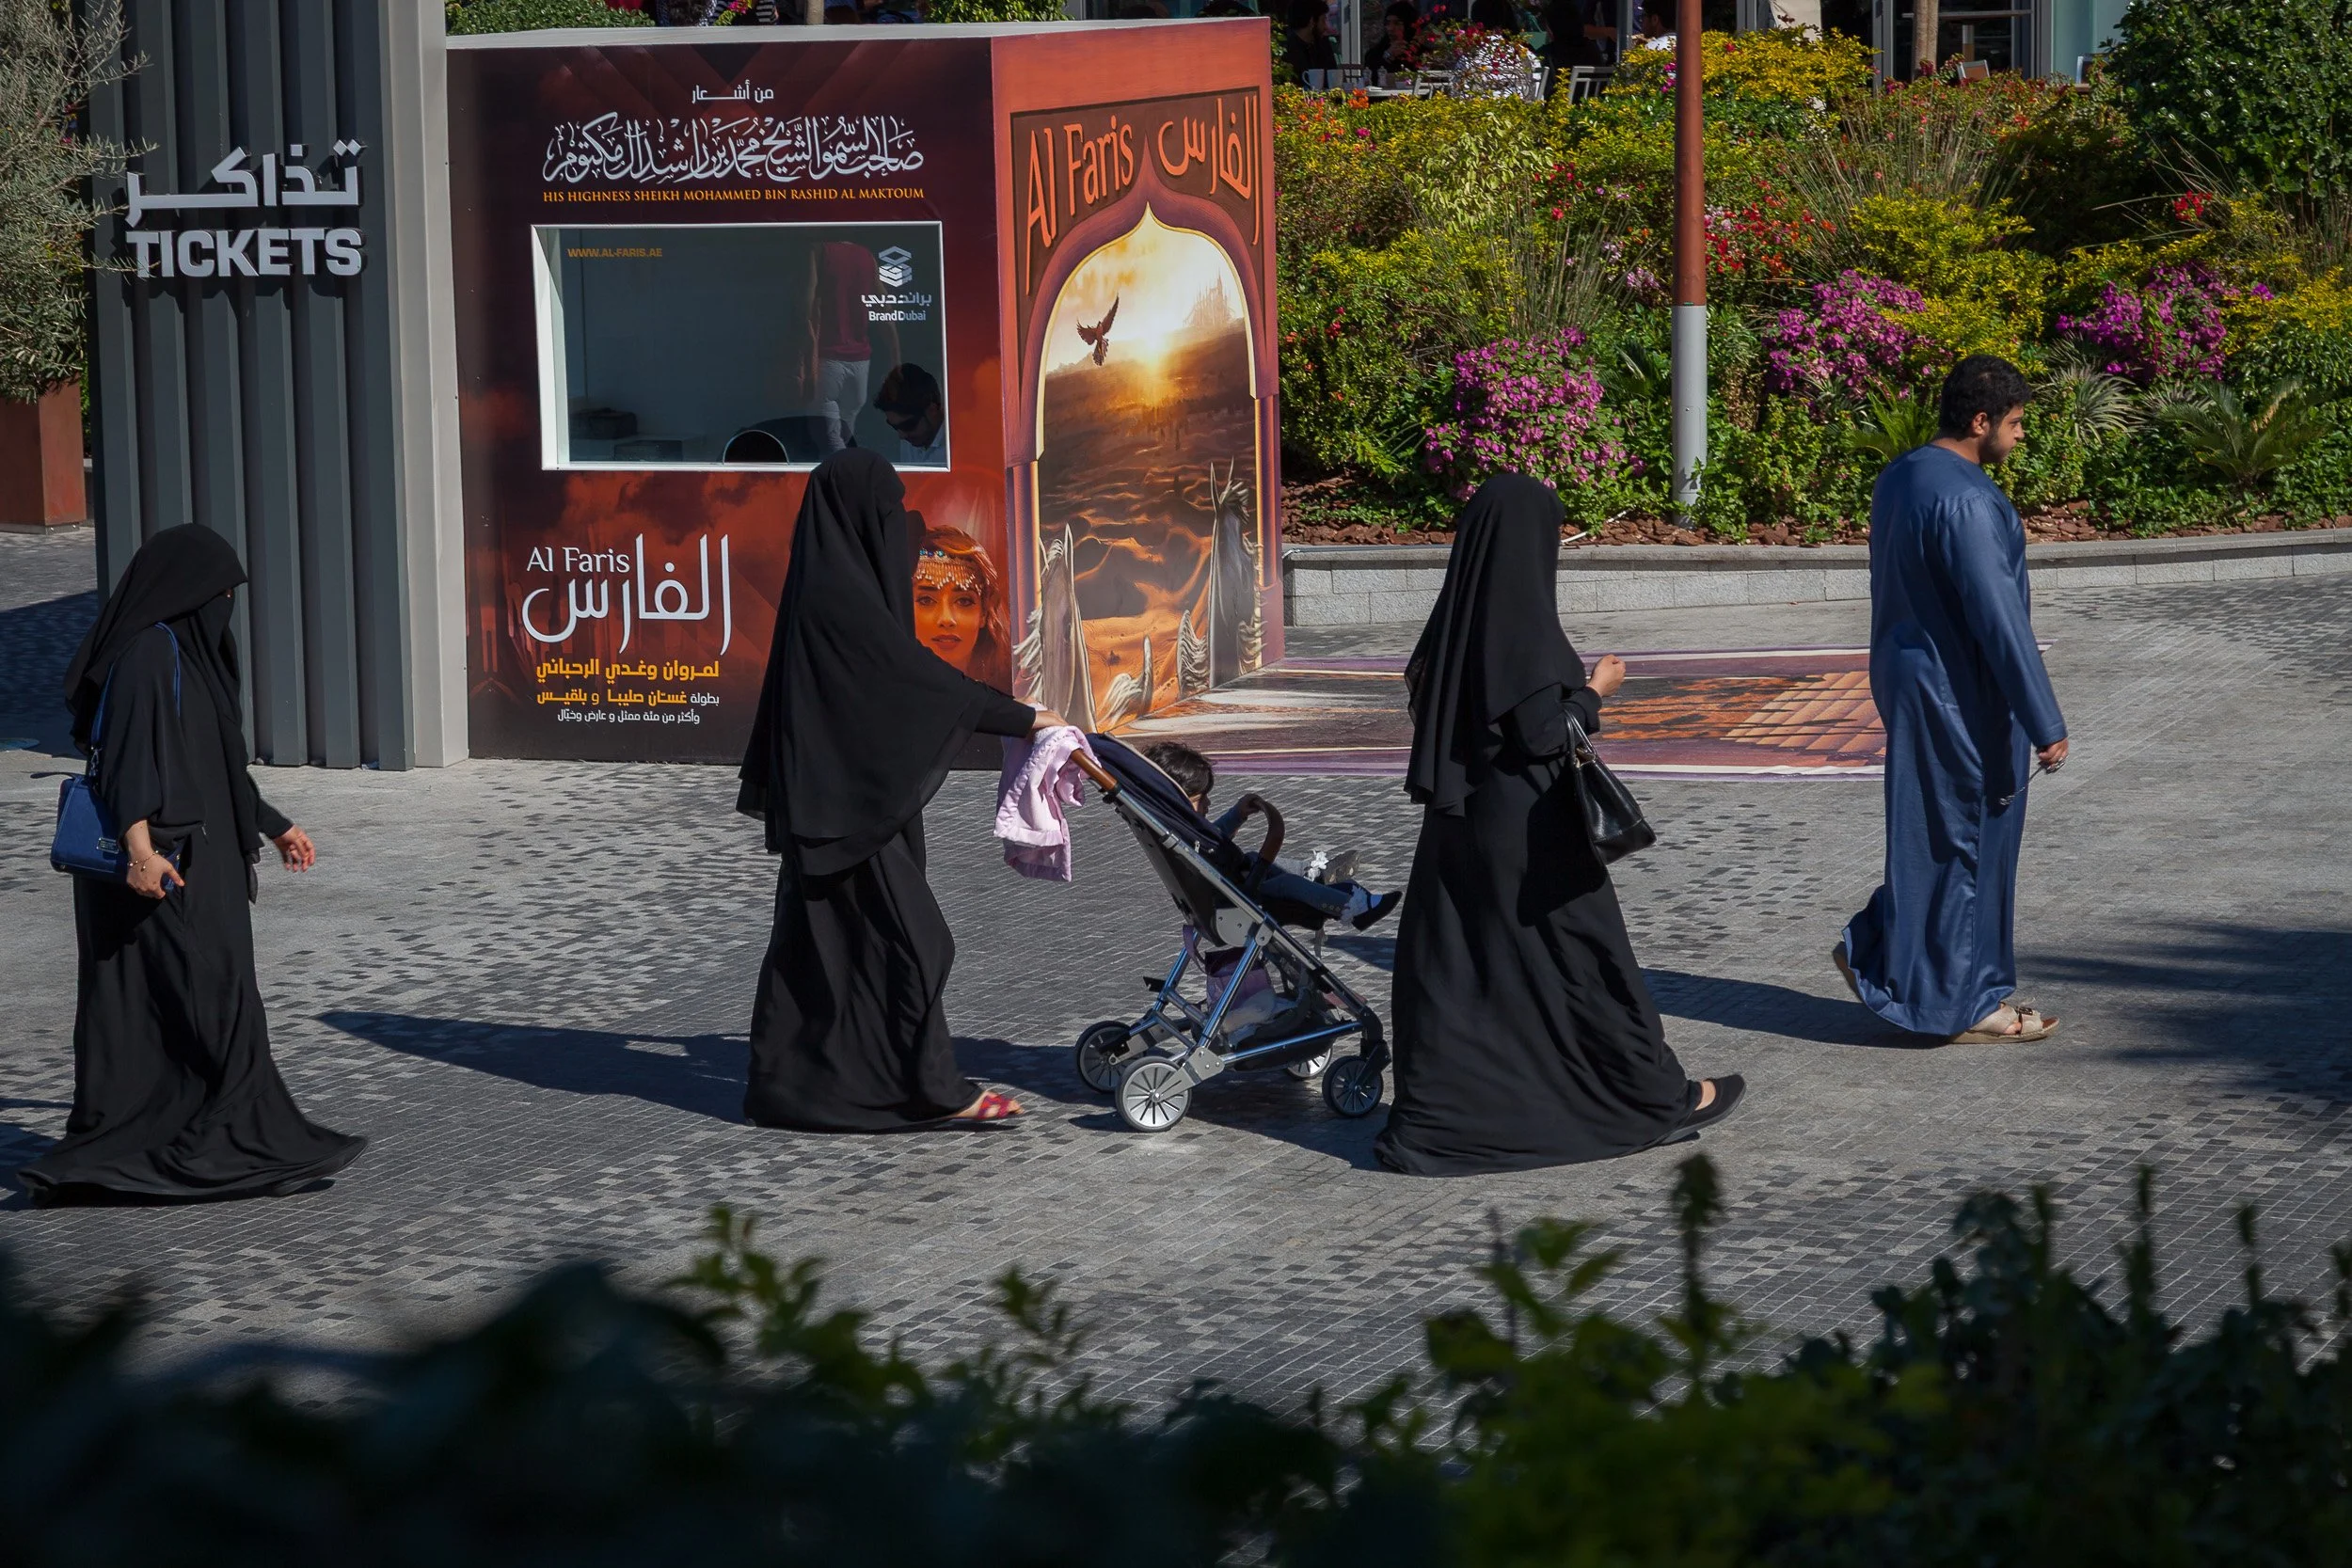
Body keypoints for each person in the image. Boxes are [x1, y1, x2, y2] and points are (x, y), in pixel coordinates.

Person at [1375, 475, 1742, 1177]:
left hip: (1462, 827)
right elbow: (1544, 731)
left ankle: (1448, 1122)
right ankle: (1656, 1097)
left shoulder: (1455, 623)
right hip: (1533, 833)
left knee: (1471, 973)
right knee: (1588, 960)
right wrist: (1595, 691)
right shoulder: (1522, 623)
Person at [18, 527, 365, 1207]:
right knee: (214, 997)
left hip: (193, 862)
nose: (228, 602)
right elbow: (124, 762)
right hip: (163, 870)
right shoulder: (150, 654)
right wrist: (141, 852)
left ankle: (192, 1141)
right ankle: (245, 1142)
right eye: (222, 591)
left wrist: (275, 824)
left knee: (180, 1004)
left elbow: (216, 768)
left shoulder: (186, 656)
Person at [738, 451, 1065, 1132]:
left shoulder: (827, 585)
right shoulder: (840, 602)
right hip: (842, 812)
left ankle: (796, 1089)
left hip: (830, 801)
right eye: (886, 511)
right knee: (919, 942)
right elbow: (915, 680)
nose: (898, 527)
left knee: (820, 950)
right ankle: (938, 1090)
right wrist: (1023, 716)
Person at [1835, 356, 2069, 1044]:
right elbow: (1998, 617)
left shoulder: (1902, 474)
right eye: (2017, 421)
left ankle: (1887, 954)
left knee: (1932, 834)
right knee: (1971, 839)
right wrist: (2044, 719)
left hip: (1909, 679)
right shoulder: (1967, 498)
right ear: (1980, 421)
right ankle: (1967, 1002)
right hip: (1959, 691)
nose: (2021, 435)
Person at [1140, 741, 1401, 931]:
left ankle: (1313, 873)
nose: (1207, 804)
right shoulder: (1180, 835)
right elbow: (1212, 844)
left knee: (1254, 860)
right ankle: (1355, 909)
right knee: (1287, 885)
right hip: (1234, 904)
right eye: (1200, 799)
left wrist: (1237, 814)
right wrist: (1236, 818)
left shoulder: (1170, 827)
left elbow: (1212, 839)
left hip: (1228, 891)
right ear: (1175, 798)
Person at [911, 518, 1009, 681]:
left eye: (964, 601)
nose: (946, 619)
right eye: (926, 600)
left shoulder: (1009, 692)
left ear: (984, 612)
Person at [875, 363, 947, 467]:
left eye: (908, 425)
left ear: (932, 410)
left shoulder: (956, 448)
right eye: (895, 427)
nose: (901, 436)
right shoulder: (910, 440)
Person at [1281, 0, 1338, 76]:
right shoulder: (1287, 52)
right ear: (1312, 21)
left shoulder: (1323, 46)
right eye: (1323, 20)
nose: (1326, 27)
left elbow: (1334, 77)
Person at [1363, 0, 1418, 74]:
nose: (1390, 28)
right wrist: (1388, 56)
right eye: (1387, 23)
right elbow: (1371, 78)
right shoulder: (1376, 53)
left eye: (1397, 23)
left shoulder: (1421, 54)